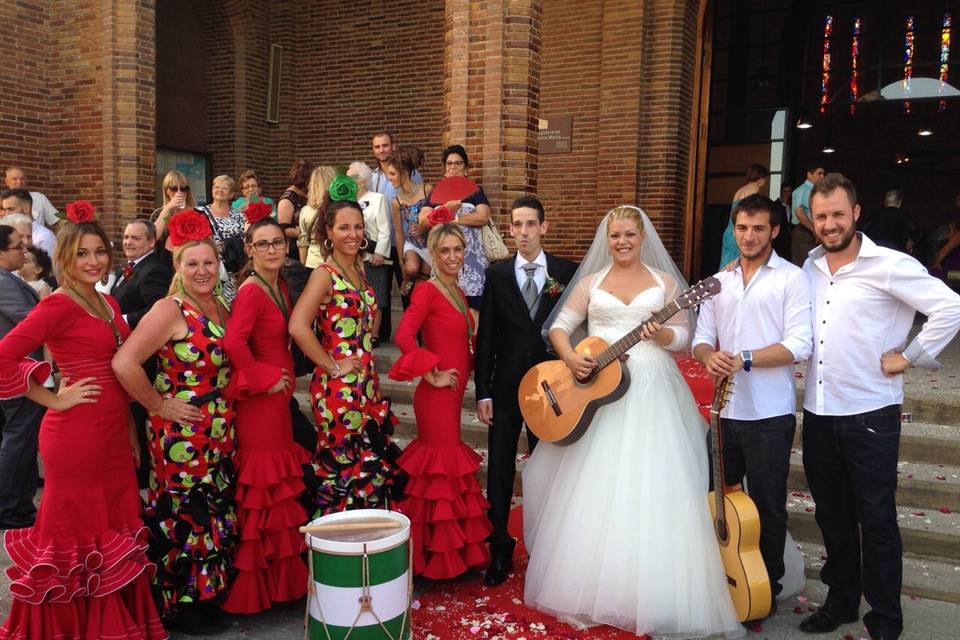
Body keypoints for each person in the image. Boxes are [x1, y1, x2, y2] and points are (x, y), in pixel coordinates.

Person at [522, 206, 742, 638]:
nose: (622, 241)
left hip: (654, 387)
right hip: (599, 390)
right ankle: (596, 584)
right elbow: (561, 327)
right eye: (615, 235)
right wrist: (570, 357)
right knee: (597, 486)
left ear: (643, 237)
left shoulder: (665, 284)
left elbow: (683, 338)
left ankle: (654, 588)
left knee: (656, 485)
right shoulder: (591, 283)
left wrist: (662, 335)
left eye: (629, 234)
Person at [798, 174, 960, 640]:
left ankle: (886, 618)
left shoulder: (890, 265)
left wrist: (909, 356)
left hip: (871, 415)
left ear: (856, 213)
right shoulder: (807, 269)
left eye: (837, 215)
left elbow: (949, 307)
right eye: (822, 216)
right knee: (832, 515)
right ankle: (842, 600)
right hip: (819, 412)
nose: (829, 225)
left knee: (877, 521)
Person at [0, 208, 166, 639]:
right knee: (72, 536)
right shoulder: (57, 304)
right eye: (82, 254)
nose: (93, 262)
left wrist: (130, 433)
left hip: (111, 433)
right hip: (74, 435)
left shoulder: (106, 300)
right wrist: (53, 397)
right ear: (64, 259)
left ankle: (110, 624)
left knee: (110, 529)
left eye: (100, 253)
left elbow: (118, 371)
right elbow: (5, 356)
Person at [112, 210, 236, 634]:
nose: (202, 270)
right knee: (185, 512)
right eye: (193, 263)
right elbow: (124, 362)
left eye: (209, 262)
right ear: (178, 268)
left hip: (217, 430)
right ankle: (182, 603)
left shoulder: (219, 305)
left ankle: (206, 595)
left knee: (212, 509)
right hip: (180, 433)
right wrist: (158, 404)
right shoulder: (170, 309)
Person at [693, 193, 812, 611]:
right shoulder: (719, 281)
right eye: (742, 228)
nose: (748, 235)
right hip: (723, 411)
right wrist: (710, 356)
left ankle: (766, 588)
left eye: (758, 228)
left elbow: (800, 344)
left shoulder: (792, 279)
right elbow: (701, 339)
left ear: (774, 231)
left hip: (769, 414)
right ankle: (724, 577)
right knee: (718, 498)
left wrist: (743, 357)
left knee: (767, 506)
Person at [474, 196, 576, 586]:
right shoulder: (497, 275)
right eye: (516, 225)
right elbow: (486, 338)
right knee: (499, 467)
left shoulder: (566, 271)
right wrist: (483, 390)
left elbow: (578, 328)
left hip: (552, 387)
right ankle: (499, 547)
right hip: (506, 388)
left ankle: (549, 548)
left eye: (530, 224)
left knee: (548, 466)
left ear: (543, 227)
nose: (523, 232)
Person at [289, 191, 403, 519]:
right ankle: (339, 544)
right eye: (344, 228)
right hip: (337, 388)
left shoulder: (358, 269)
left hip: (365, 383)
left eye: (357, 227)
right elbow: (298, 326)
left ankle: (365, 540)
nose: (353, 234)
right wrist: (332, 364)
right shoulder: (324, 273)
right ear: (328, 231)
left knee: (367, 461)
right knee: (343, 464)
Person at [388, 223, 492, 579]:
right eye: (444, 251)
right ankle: (435, 557)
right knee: (439, 468)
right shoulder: (427, 291)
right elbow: (403, 334)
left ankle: (446, 552)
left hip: (451, 394)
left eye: (457, 250)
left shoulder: (457, 292)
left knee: (445, 469)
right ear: (433, 253)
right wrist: (430, 372)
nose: (452, 257)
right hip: (434, 395)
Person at [222, 217, 310, 613]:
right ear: (250, 250)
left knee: (278, 482)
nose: (273, 249)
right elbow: (234, 342)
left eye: (278, 242)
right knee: (263, 485)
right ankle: (259, 585)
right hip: (260, 399)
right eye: (263, 244)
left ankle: (280, 580)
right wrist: (262, 377)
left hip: (278, 397)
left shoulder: (280, 285)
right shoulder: (252, 291)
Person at [0, 226, 44, 530]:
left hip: (22, 371)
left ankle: (18, 503)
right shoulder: (3, 282)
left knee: (22, 438)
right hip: (17, 374)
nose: (24, 251)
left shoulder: (10, 279)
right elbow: (32, 321)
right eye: (17, 246)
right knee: (17, 438)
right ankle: (8, 507)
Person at [420, 145, 492, 309]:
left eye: (458, 164)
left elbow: (483, 216)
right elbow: (423, 220)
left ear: (465, 169)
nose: (453, 167)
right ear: (445, 169)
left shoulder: (475, 191)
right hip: (444, 257)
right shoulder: (436, 193)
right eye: (449, 164)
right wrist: (445, 210)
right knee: (445, 306)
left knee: (473, 308)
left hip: (472, 259)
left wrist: (455, 219)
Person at [369, 131, 423, 336]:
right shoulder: (372, 177)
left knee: (407, 286)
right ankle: (381, 335)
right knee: (379, 291)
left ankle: (412, 333)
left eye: (385, 145)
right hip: (381, 244)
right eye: (377, 147)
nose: (381, 150)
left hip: (406, 240)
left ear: (393, 146)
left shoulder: (412, 173)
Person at [347, 161, 392, 344]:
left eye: (352, 178)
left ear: (363, 180)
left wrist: (380, 252)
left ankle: (373, 334)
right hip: (352, 258)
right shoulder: (346, 202)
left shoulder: (377, 198)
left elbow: (384, 229)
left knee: (376, 297)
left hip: (372, 257)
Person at [385, 147, 433, 297]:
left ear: (404, 173)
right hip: (412, 243)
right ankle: (408, 280)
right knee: (411, 269)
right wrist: (401, 262)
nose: (389, 178)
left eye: (392, 174)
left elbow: (440, 220)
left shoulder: (427, 190)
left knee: (426, 274)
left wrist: (425, 224)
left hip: (430, 242)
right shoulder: (396, 201)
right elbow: (399, 233)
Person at [197, 175, 247, 303]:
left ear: (231, 194)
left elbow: (247, 237)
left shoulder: (239, 216)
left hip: (234, 269)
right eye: (216, 187)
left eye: (224, 188)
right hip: (211, 267)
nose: (219, 190)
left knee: (233, 305)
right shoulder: (200, 213)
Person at [719, 164, 768, 269]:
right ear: (761, 177)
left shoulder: (739, 190)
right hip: (742, 230)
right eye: (765, 178)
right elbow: (751, 211)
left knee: (726, 265)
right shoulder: (755, 188)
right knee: (738, 266)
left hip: (731, 230)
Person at [297, 165, 337, 268]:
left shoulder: (306, 211)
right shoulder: (338, 209)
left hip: (312, 262)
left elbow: (303, 242)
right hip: (334, 260)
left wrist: (302, 266)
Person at [791, 162, 827, 266]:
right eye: (819, 173)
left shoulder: (814, 191)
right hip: (805, 230)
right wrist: (814, 230)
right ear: (809, 174)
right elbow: (799, 213)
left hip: (808, 230)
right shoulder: (805, 190)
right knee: (807, 265)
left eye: (823, 173)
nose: (822, 176)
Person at [277, 159, 312, 261]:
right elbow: (284, 229)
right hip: (295, 249)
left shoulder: (309, 194)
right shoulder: (287, 199)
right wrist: (305, 232)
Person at [1, 190, 56, 255]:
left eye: (11, 209)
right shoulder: (8, 233)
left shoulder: (44, 237)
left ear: (26, 208)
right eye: (4, 209)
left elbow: (48, 264)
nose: (6, 214)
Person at [861, 190, 914, 254]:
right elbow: (914, 230)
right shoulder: (903, 215)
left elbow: (863, 229)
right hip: (896, 251)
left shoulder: (875, 214)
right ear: (899, 202)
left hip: (876, 250)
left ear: (885, 201)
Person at [152, 170, 197, 241]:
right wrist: (168, 208)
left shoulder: (197, 212)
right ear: (166, 191)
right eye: (174, 188)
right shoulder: (159, 213)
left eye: (183, 189)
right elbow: (153, 237)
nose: (179, 192)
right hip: (165, 251)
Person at [773, 183, 794, 260]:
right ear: (781, 192)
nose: (786, 194)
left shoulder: (793, 205)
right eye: (784, 191)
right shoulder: (775, 205)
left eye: (789, 191)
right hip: (778, 240)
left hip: (790, 241)